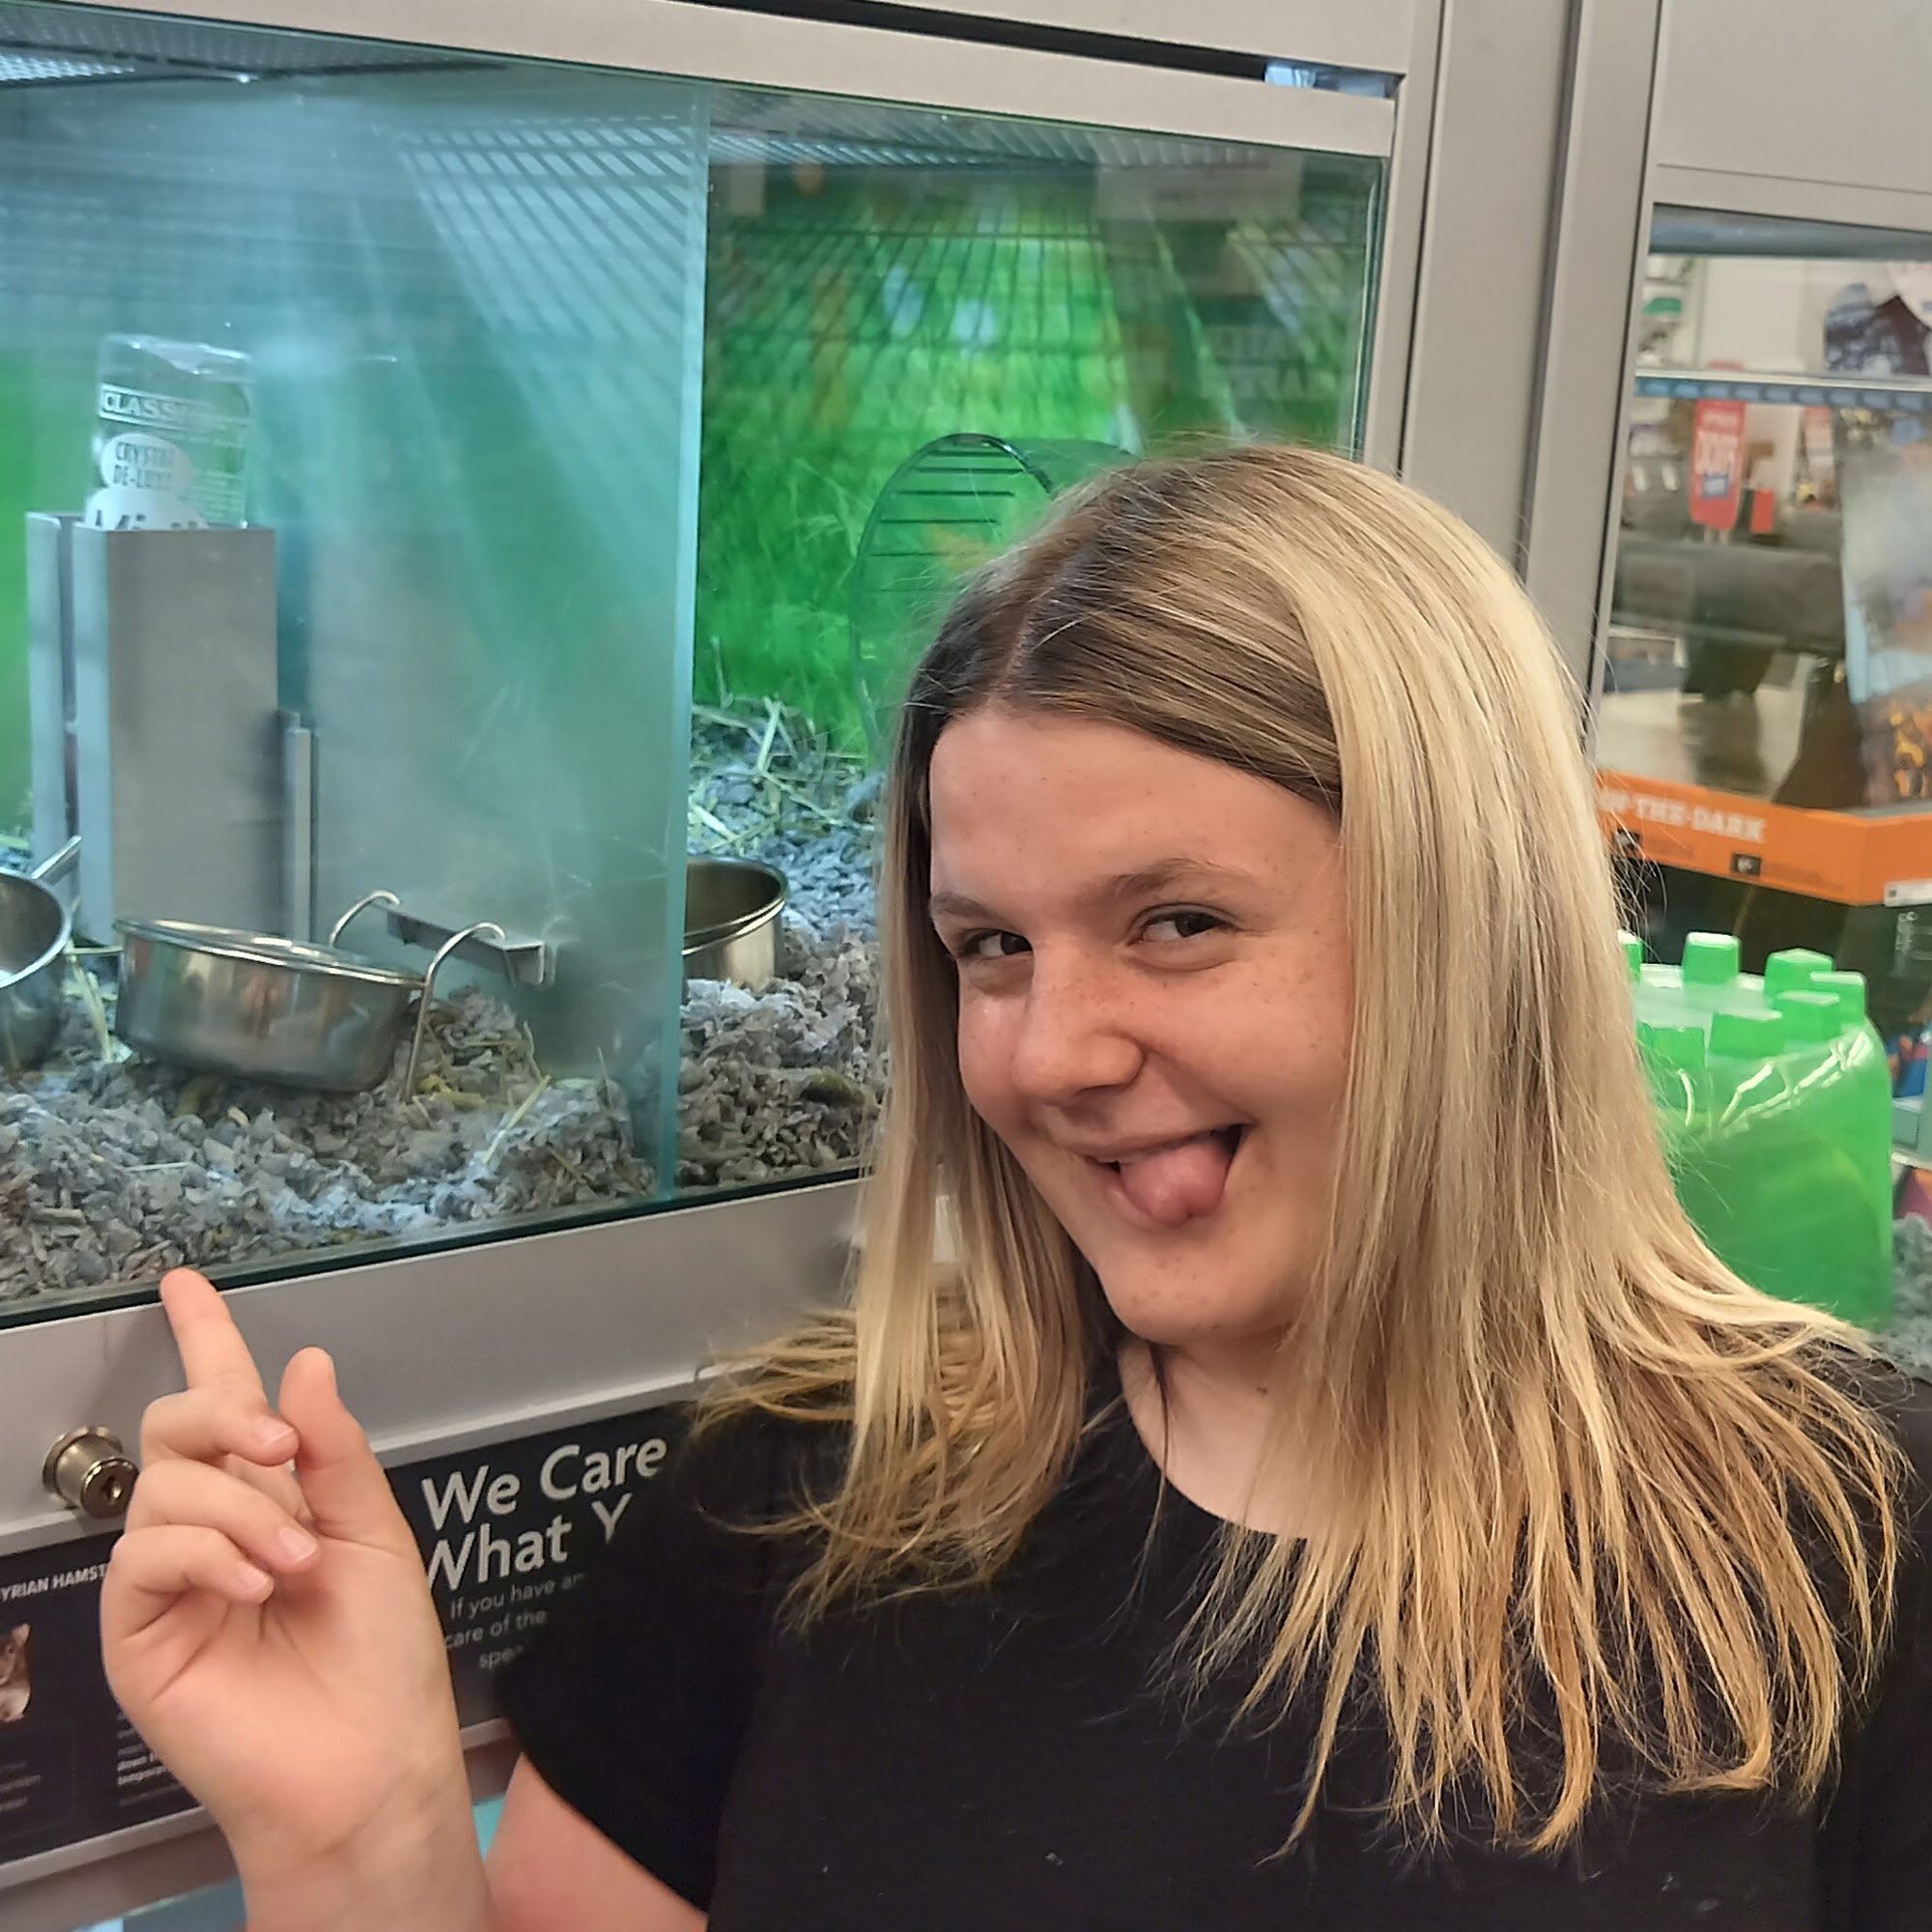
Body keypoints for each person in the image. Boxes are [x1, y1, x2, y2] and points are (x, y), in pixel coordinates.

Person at [103, 445, 1930, 1931]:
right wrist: (363, 1843)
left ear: (1475, 924)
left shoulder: (1855, 1556)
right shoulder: (806, 1502)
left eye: (1179, 923)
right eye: (991, 948)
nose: (1052, 1057)